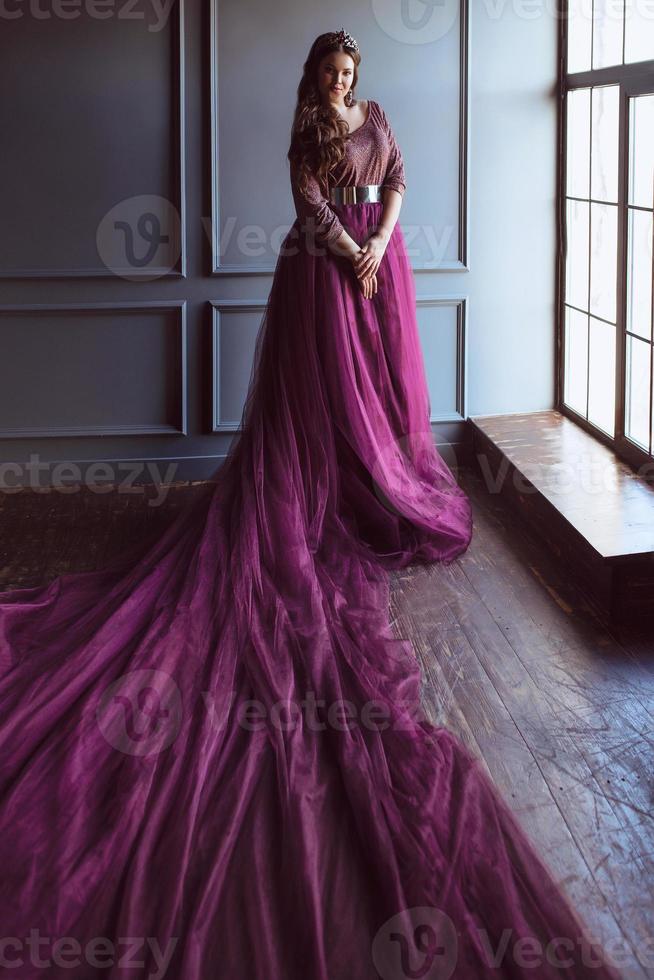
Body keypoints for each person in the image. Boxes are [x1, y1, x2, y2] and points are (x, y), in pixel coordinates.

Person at [0, 28, 621, 980]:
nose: (338, 81)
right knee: (321, 401)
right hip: (324, 275)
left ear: (358, 78)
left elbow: (403, 176)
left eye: (346, 71)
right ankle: (323, 495)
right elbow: (304, 208)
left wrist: (380, 242)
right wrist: (348, 252)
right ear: (312, 79)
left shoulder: (372, 120)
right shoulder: (307, 134)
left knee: (379, 399)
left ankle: (375, 494)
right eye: (328, 72)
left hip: (380, 261)